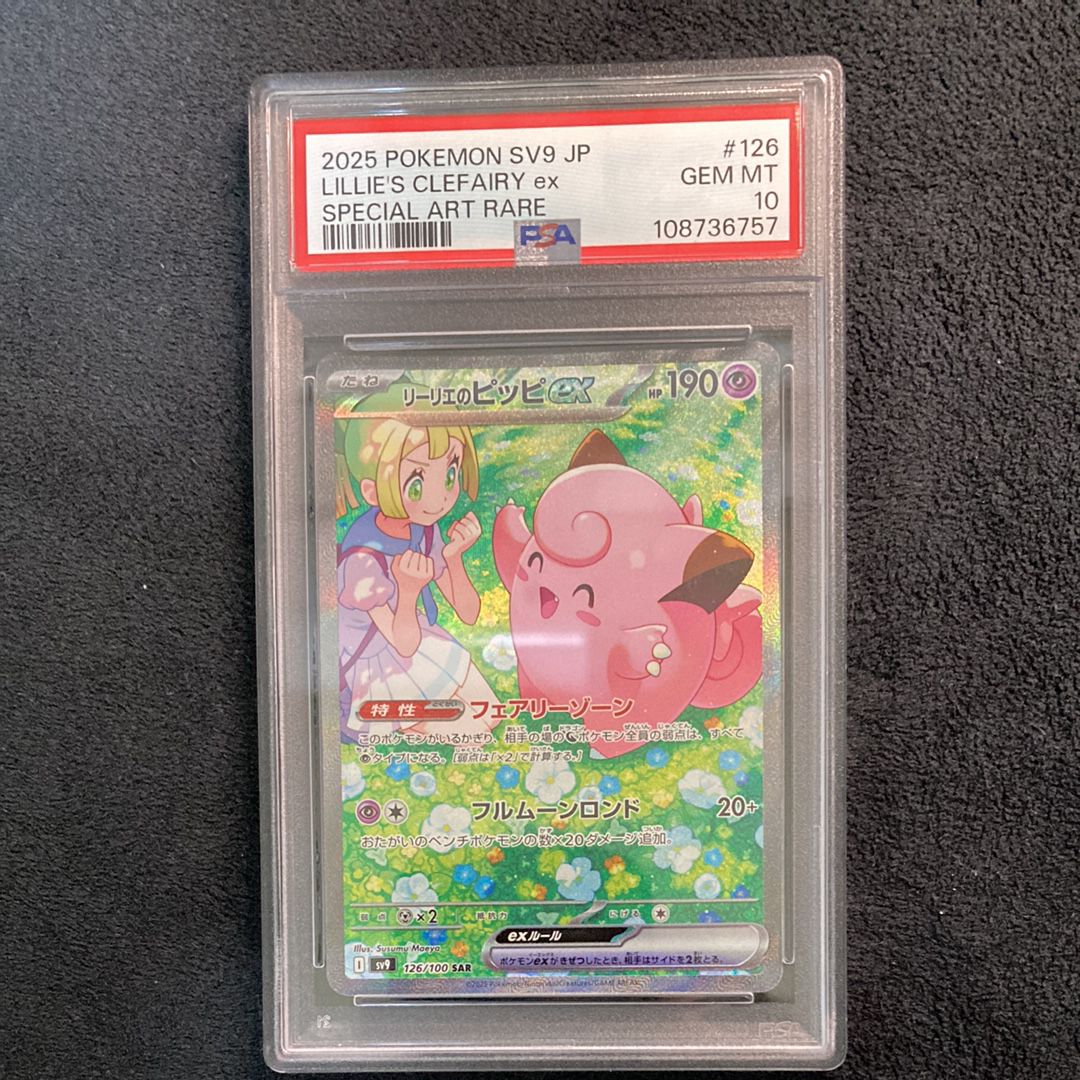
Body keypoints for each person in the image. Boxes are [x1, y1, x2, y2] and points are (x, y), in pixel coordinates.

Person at [336, 387, 497, 739]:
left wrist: (454, 558)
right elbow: (402, 643)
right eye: (416, 485)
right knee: (473, 733)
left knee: (491, 714)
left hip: (414, 637)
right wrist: (408, 592)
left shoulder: (424, 528)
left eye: (450, 474)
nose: (439, 499)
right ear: (372, 492)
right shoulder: (363, 560)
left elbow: (468, 612)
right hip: (377, 661)